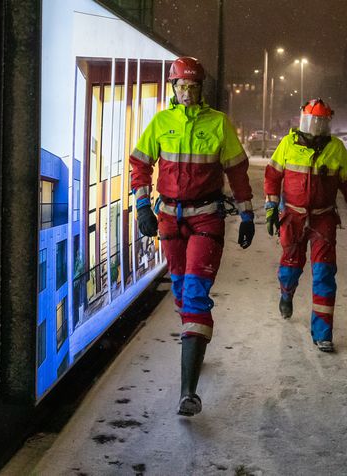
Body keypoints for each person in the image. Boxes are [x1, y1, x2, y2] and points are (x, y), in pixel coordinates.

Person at [129, 56, 254, 416]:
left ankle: (188, 394)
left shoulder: (218, 124)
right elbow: (139, 164)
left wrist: (246, 215)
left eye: (193, 86)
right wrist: (141, 208)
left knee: (196, 295)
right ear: (173, 87)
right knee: (182, 292)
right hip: (169, 220)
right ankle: (194, 346)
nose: (187, 92)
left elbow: (238, 173)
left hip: (207, 220)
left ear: (201, 89)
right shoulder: (161, 122)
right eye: (182, 86)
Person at [264, 98, 347, 353]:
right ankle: (286, 294)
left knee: (324, 274)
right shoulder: (288, 144)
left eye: (321, 122)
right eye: (313, 121)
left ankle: (323, 334)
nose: (316, 126)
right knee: (290, 269)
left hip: (323, 219)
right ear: (303, 120)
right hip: (293, 218)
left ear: (328, 122)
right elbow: (272, 177)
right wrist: (270, 209)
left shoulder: (336, 149)